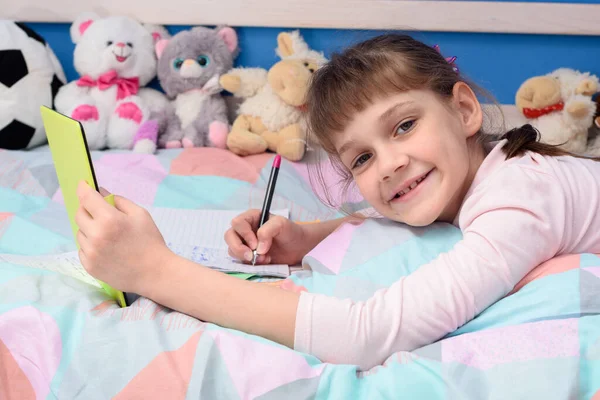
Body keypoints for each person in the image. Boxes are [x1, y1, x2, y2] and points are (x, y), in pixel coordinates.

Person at [74, 33, 600, 371]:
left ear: (464, 111)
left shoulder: (521, 200)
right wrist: (309, 237)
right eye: (362, 160)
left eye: (404, 126)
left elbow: (366, 334)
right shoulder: (486, 173)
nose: (390, 164)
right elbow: (427, 203)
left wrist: (155, 271)